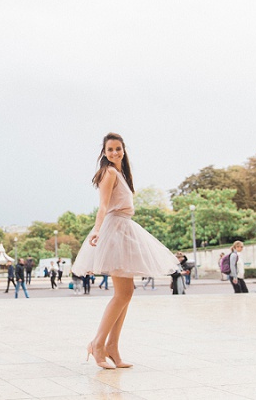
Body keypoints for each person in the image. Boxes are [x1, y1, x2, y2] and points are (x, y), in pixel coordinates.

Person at [72, 133, 178, 369]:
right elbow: (103, 206)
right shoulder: (109, 172)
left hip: (125, 229)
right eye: (110, 150)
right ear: (104, 152)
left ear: (123, 150)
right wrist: (97, 230)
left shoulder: (121, 174)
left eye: (118, 149)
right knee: (122, 294)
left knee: (127, 293)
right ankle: (98, 344)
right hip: (115, 230)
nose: (114, 153)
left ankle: (112, 347)